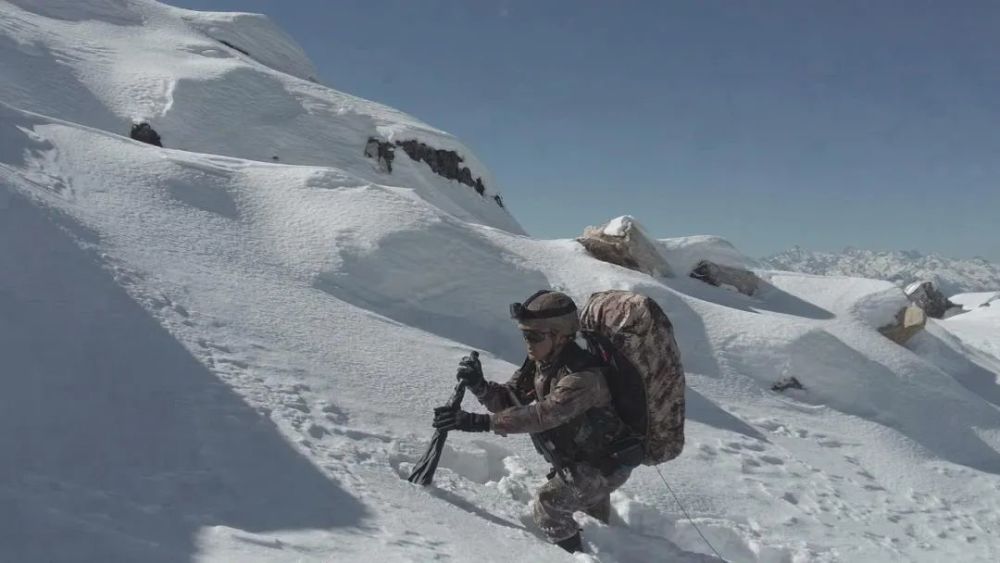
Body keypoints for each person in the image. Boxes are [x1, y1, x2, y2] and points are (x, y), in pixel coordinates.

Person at [432, 290, 633, 553]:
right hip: (582, 459)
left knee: (548, 507)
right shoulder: (542, 363)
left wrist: (478, 422)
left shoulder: (583, 378)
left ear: (560, 336)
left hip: (603, 466)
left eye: (534, 336)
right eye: (525, 335)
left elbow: (542, 415)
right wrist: (480, 386)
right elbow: (510, 399)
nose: (527, 343)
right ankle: (611, 546)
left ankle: (578, 557)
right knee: (591, 516)